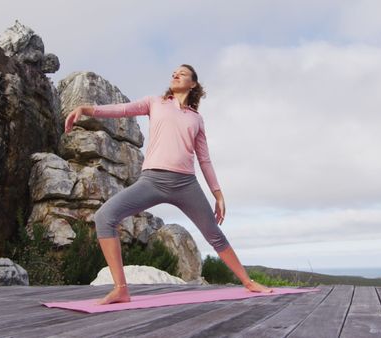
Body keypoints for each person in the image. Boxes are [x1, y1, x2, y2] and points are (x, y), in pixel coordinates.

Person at [64, 64, 273, 305]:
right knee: (104, 217)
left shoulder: (196, 119)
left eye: (182, 73)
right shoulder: (156, 102)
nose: (175, 75)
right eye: (174, 72)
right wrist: (86, 108)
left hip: (186, 184)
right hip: (152, 180)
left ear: (193, 83)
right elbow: (122, 109)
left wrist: (218, 194)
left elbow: (204, 159)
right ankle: (121, 289)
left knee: (214, 233)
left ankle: (248, 282)